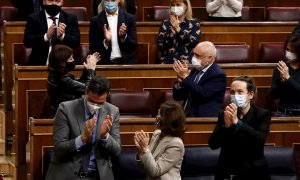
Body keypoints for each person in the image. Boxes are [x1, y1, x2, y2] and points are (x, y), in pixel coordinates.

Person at [45, 76, 121, 180]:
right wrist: (82, 138)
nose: (95, 105)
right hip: (68, 175)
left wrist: (105, 136)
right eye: (91, 101)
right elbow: (58, 149)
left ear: (107, 95)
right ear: (86, 92)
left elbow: (117, 151)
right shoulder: (66, 109)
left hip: (98, 175)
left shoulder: (112, 111)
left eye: (100, 103)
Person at [209, 76, 271, 180]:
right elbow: (213, 144)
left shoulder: (262, 115)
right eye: (232, 92)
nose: (235, 96)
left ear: (250, 94)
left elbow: (259, 140)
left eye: (240, 92)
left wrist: (238, 123)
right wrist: (226, 127)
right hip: (227, 172)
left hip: (253, 172)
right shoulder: (224, 114)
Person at [172, 41, 226, 117]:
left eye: (197, 55)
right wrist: (180, 84)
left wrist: (186, 77)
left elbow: (202, 95)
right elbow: (178, 97)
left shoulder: (218, 75)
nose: (193, 57)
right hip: (186, 116)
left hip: (203, 119)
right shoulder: (194, 70)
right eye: (194, 54)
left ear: (210, 58)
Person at [134, 101, 186, 180]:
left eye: (160, 115)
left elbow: (156, 171)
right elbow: (146, 166)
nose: (157, 117)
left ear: (169, 120)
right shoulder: (157, 134)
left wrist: (145, 148)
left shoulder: (176, 144)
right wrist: (140, 151)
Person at [23, 0, 80, 65]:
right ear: (44, 2)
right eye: (50, 0)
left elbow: (76, 42)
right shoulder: (33, 18)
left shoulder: (70, 18)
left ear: (62, 2)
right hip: (39, 64)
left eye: (57, 1)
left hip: (64, 64)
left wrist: (62, 36)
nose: (54, 4)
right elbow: (27, 41)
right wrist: (46, 37)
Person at [47, 45, 101, 110]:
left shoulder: (56, 74)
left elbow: (79, 85)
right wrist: (91, 69)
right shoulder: (62, 79)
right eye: (71, 59)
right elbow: (89, 89)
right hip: (69, 114)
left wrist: (87, 70)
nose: (73, 60)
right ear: (62, 63)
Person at [89, 0, 138, 64]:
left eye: (113, 0)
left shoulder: (129, 18)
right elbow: (93, 48)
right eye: (107, 0)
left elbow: (134, 45)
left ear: (118, 1)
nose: (110, 2)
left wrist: (123, 37)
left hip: (125, 63)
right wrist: (106, 42)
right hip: (105, 64)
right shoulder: (95, 21)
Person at [157, 0, 201, 64]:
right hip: (168, 62)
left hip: (187, 63)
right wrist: (171, 35)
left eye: (178, 5)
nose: (175, 7)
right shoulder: (166, 23)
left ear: (186, 6)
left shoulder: (194, 23)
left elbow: (194, 44)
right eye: (173, 5)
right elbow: (161, 46)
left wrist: (179, 30)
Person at [271, 34, 300, 116]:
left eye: (292, 51)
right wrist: (282, 82)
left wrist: (288, 79)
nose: (288, 53)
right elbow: (275, 95)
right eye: (287, 49)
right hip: (283, 112)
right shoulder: (280, 68)